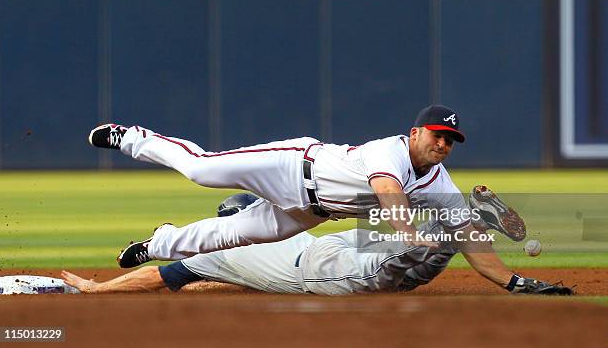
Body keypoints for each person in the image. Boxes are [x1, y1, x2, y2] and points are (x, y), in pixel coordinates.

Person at [87, 104, 527, 291]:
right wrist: (411, 233)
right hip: (293, 166)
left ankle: (156, 244)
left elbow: (468, 232)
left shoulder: (438, 181)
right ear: (416, 133)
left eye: (452, 141)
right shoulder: (389, 152)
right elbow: (389, 192)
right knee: (202, 169)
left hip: (310, 212)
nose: (444, 145)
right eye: (438, 135)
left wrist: (511, 281)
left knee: (229, 236)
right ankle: (131, 137)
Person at [61, 192, 571, 296]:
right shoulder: (264, 242)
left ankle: (466, 218)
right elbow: (201, 283)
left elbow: (164, 274)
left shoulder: (223, 255)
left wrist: (99, 290)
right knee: (419, 234)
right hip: (335, 242)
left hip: (326, 268)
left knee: (401, 264)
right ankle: (468, 216)